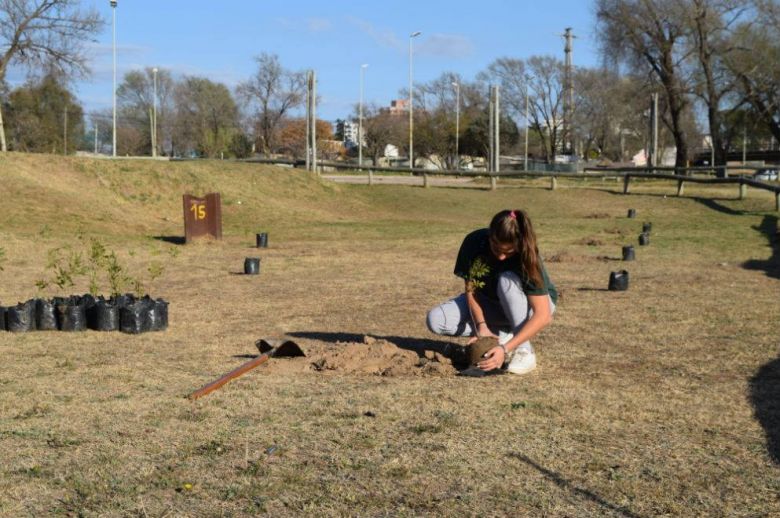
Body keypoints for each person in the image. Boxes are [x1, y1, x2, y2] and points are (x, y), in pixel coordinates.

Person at [426, 209, 557, 374]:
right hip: (492, 303)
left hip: (531, 309)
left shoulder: (528, 256)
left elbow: (543, 315)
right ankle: (501, 336)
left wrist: (506, 349)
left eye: (508, 252)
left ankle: (524, 350)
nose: (501, 257)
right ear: (490, 235)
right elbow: (471, 289)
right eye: (496, 247)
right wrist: (481, 326)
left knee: (506, 280)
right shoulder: (474, 242)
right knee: (436, 319)